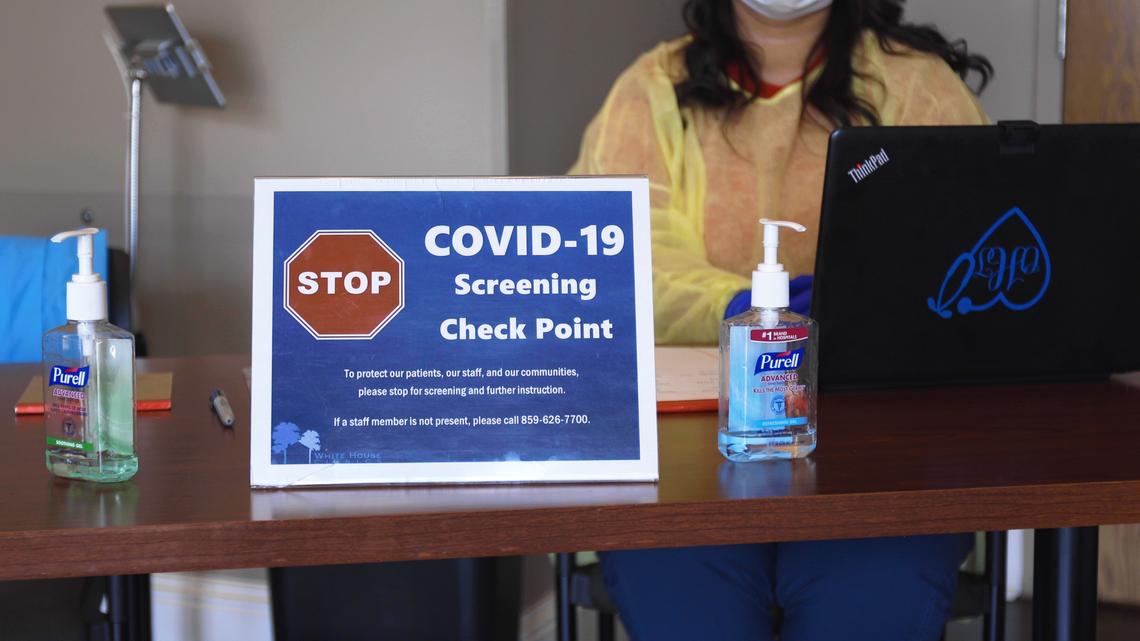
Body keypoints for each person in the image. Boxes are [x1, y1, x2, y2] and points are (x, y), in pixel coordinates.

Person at [569, 0, 992, 639]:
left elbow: (975, 259)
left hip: (882, 461)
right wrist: (745, 308)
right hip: (684, 465)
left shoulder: (918, 87)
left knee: (868, 599)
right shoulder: (651, 92)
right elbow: (613, 253)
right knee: (687, 598)